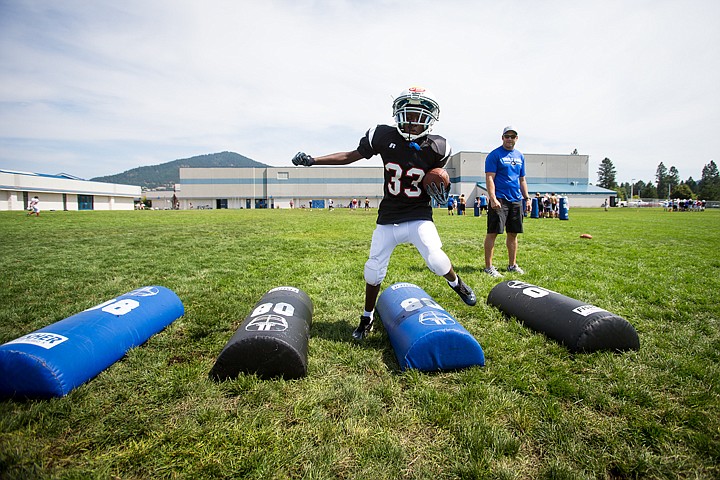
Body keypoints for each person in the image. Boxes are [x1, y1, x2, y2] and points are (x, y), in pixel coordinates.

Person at [292, 86, 477, 339]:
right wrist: (313, 160)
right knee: (373, 269)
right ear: (398, 115)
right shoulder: (381, 135)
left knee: (436, 258)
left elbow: (438, 180)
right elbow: (349, 156)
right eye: (408, 115)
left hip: (419, 214)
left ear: (429, 120)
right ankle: (366, 318)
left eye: (418, 116)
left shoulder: (438, 146)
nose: (413, 121)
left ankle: (458, 284)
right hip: (389, 216)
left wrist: (440, 189)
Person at [483, 126, 531, 278]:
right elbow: (490, 177)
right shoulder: (494, 155)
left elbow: (522, 179)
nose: (509, 139)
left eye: (512, 136)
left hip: (516, 199)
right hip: (500, 199)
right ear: (502, 138)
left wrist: (527, 198)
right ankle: (489, 267)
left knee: (513, 234)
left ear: (516, 138)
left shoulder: (520, 156)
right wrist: (493, 197)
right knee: (493, 233)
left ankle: (512, 265)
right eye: (507, 136)